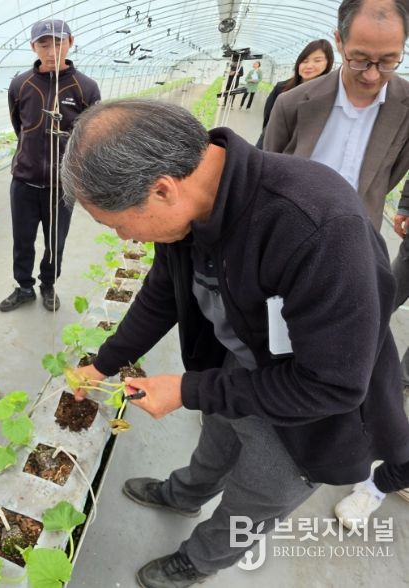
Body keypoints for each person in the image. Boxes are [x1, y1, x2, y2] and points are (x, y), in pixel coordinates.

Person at [60, 99, 409, 587]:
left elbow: (332, 387)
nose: (124, 239)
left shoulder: (315, 229)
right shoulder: (191, 209)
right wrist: (106, 363)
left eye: (117, 224)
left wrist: (189, 390)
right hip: (237, 372)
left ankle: (198, 561)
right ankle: (183, 494)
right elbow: (164, 291)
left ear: (161, 190)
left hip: (312, 420)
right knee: (217, 441)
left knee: (256, 496)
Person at [264, 0, 409, 526]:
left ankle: (347, 455)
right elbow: (266, 170)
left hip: (356, 254)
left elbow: (391, 175)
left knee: (350, 357)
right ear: (339, 43)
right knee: (275, 333)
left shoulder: (407, 106)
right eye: (361, 59)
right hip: (283, 248)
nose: (373, 75)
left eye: (389, 61)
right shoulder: (297, 102)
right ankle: (260, 412)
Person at [0, 18, 101, 313]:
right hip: (25, 181)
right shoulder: (21, 84)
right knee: (23, 239)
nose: (51, 49)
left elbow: (90, 135)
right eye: (44, 43)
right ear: (33, 47)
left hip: (62, 185)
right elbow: (20, 126)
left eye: (58, 41)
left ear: (70, 41)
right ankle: (24, 287)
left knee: (56, 240)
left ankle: (48, 284)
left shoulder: (86, 88)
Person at [256, 39, 334, 147]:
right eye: (305, 61)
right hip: (271, 143)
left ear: (328, 63)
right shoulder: (281, 88)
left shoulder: (328, 95)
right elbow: (268, 120)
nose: (309, 66)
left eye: (317, 60)